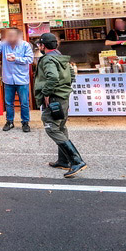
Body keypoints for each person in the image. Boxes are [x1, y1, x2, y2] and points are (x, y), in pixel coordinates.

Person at [33, 33, 86, 178]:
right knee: (61, 126)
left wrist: (46, 93)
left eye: (40, 45)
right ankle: (63, 160)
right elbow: (71, 74)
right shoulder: (61, 57)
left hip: (55, 98)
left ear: (43, 46)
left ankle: (76, 160)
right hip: (63, 96)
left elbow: (53, 77)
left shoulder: (48, 59)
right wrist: (65, 90)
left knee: (51, 127)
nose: (39, 47)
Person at [0, 27, 35, 132]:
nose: (10, 38)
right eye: (8, 35)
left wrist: (16, 59)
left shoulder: (25, 45)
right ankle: (9, 122)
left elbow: (30, 59)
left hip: (22, 79)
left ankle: (25, 123)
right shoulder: (3, 44)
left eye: (12, 35)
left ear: (17, 36)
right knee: (8, 103)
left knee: (24, 103)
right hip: (8, 79)